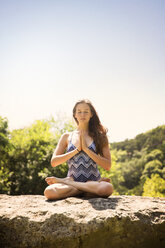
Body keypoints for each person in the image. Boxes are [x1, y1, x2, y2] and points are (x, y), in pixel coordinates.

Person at [44, 99, 113, 200]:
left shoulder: (100, 136)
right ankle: (83, 189)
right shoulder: (67, 136)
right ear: (75, 115)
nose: (82, 114)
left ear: (91, 114)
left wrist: (86, 149)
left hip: (92, 182)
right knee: (49, 192)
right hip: (71, 182)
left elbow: (107, 165)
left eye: (86, 111)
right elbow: (54, 162)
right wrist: (76, 150)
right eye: (79, 112)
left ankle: (69, 184)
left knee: (107, 188)